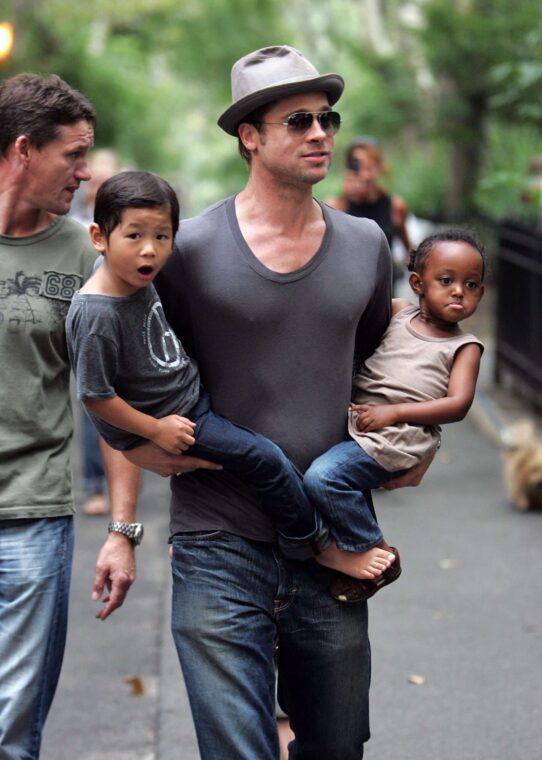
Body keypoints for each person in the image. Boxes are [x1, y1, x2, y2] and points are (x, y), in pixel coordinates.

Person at [122, 45, 431, 759]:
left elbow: (379, 373)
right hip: (217, 540)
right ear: (250, 137)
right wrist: (140, 454)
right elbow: (137, 370)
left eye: (328, 118)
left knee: (335, 745)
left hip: (332, 544)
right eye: (299, 120)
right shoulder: (188, 249)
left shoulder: (363, 244)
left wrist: (410, 447)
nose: (322, 133)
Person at [66, 169, 364, 565]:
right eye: (134, 235)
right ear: (99, 238)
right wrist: (155, 431)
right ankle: (314, 543)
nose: (150, 251)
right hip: (180, 418)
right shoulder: (96, 314)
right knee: (266, 460)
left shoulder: (134, 278)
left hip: (190, 396)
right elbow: (95, 397)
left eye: (162, 236)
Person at [0, 73, 139, 760]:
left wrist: (121, 529)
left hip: (33, 513)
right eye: (74, 155)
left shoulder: (83, 257)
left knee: (11, 731)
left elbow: (108, 398)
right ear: (24, 150)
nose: (86, 172)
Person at [306, 228, 485, 602]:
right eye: (447, 280)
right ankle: (349, 554)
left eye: (471, 285)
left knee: (325, 478)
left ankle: (375, 551)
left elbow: (459, 404)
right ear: (418, 283)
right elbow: (353, 312)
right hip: (364, 425)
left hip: (398, 436)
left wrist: (396, 413)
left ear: (480, 294)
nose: (458, 292)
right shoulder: (400, 313)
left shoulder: (464, 346)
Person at [73, 149, 122, 516]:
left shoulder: (127, 222)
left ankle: (121, 477)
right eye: (96, 181)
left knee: (116, 403)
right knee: (93, 402)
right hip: (87, 329)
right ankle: (95, 484)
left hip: (120, 327)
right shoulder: (73, 225)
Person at [327, 137, 412, 282]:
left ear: (379, 168)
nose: (364, 174)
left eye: (369, 166)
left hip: (384, 285)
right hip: (347, 282)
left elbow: (408, 250)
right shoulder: (335, 206)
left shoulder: (395, 207)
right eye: (357, 165)